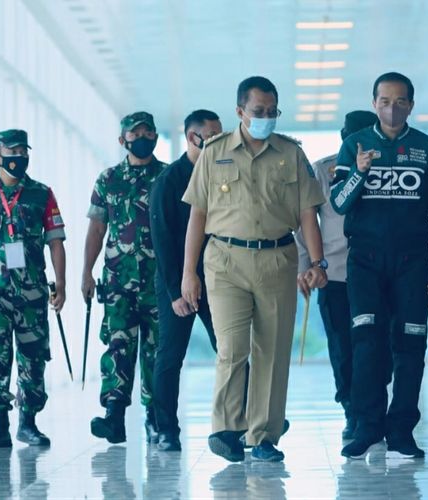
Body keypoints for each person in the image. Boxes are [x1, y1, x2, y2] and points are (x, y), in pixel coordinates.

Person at [181, 76, 327, 463]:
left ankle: (263, 435)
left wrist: (317, 261)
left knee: (273, 350)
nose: (266, 118)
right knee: (232, 347)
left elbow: (307, 213)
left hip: (277, 260)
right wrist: (188, 273)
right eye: (258, 111)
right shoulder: (214, 152)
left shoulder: (291, 154)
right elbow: (198, 214)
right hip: (225, 261)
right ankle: (226, 429)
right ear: (240, 111)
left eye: (272, 112)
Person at [331, 71, 428, 460]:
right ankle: (367, 426)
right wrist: (360, 171)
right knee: (365, 344)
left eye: (400, 101)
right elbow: (339, 204)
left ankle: (401, 429)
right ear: (373, 104)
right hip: (364, 262)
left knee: (410, 344)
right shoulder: (355, 145)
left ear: (411, 106)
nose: (392, 107)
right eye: (384, 100)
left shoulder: (426, 147)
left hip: (413, 262)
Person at [0, 129, 66, 448]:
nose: (18, 158)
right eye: (12, 152)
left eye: (23, 152)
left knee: (33, 358)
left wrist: (61, 284)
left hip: (32, 292)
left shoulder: (42, 194)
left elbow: (56, 242)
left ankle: (29, 423)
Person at [82, 111, 167, 444]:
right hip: (118, 281)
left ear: (156, 136)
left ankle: (155, 416)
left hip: (159, 281)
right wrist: (86, 272)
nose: (142, 136)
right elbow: (97, 229)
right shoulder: (108, 179)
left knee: (156, 349)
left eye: (148, 131)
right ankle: (113, 416)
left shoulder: (169, 176)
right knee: (118, 345)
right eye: (136, 132)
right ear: (123, 140)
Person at [294, 109, 378, 440]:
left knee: (376, 345)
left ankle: (372, 407)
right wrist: (307, 266)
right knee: (342, 347)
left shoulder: (386, 167)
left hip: (378, 272)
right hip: (335, 273)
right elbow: (305, 221)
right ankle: (352, 411)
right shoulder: (323, 170)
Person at [149, 109, 222, 451]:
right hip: (176, 284)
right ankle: (166, 429)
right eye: (213, 136)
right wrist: (175, 289)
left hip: (217, 282)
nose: (220, 142)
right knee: (170, 356)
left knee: (231, 350)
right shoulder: (170, 180)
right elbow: (161, 242)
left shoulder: (219, 172)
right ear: (194, 138)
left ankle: (247, 420)